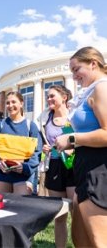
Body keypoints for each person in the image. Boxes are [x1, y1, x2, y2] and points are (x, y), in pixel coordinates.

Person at [55, 46, 107, 247]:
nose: (74, 76)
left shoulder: (102, 88)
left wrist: (72, 140)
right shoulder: (90, 91)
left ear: (93, 63)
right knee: (80, 239)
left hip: (99, 172)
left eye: (77, 69)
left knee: (99, 241)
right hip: (84, 170)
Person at [37, 85, 75, 248]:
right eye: (48, 96)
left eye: (52, 96)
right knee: (60, 215)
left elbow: (77, 141)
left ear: (64, 97)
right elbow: (46, 143)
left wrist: (70, 149)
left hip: (73, 165)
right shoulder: (45, 118)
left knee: (76, 213)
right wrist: (46, 149)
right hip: (54, 165)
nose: (49, 99)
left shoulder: (73, 116)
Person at [0, 91, 42, 195]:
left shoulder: (31, 126)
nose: (10, 105)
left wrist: (25, 168)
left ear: (21, 103)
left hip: (23, 175)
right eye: (8, 103)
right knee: (3, 207)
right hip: (2, 174)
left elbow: (37, 152)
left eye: (13, 102)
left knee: (21, 207)